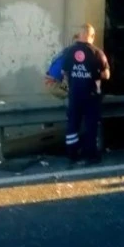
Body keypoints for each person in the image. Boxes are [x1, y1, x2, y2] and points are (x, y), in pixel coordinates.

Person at [62, 24, 110, 165]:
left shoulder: (69, 52)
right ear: (92, 36)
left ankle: (72, 154)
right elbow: (106, 74)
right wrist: (95, 74)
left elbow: (64, 72)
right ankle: (91, 155)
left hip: (75, 93)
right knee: (91, 125)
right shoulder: (97, 52)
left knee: (73, 123)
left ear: (80, 34)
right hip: (91, 94)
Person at [45, 35, 78, 100]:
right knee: (77, 91)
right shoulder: (71, 52)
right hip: (54, 83)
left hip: (50, 79)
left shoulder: (66, 50)